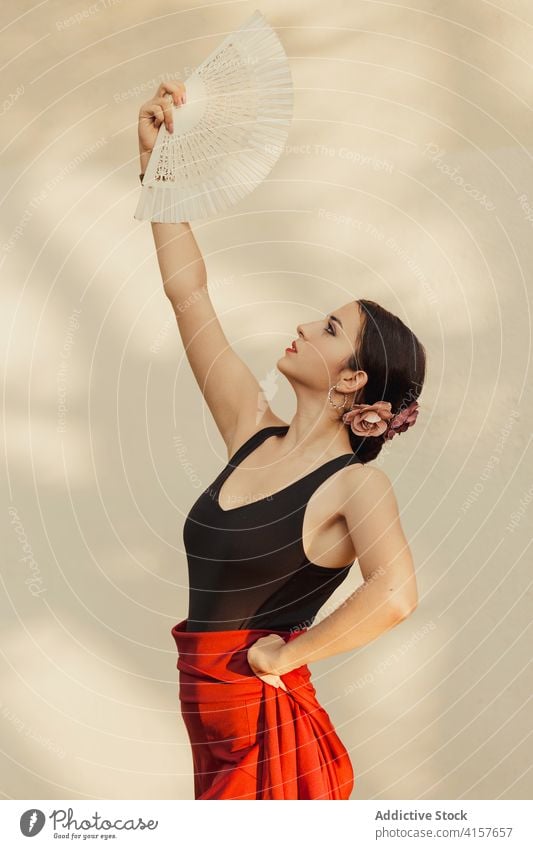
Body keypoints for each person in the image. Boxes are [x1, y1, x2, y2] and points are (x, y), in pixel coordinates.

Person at [138, 81, 426, 800]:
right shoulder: (249, 428)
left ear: (355, 378)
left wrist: (287, 653)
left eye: (329, 329)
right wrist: (156, 166)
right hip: (210, 721)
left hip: (265, 733)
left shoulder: (354, 484)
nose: (304, 325)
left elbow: (394, 593)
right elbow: (189, 296)